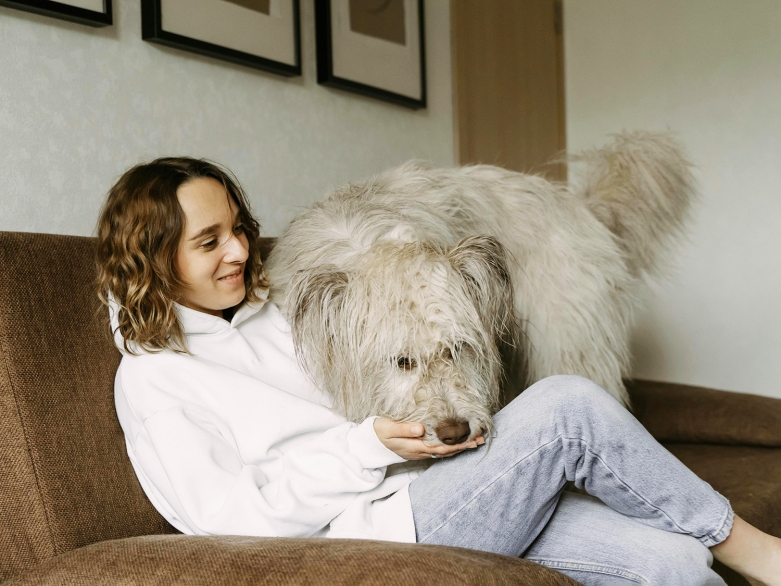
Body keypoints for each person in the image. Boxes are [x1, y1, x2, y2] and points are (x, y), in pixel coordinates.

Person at [96, 157, 781, 586]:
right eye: (209, 242)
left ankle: (717, 550)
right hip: (373, 537)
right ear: (152, 259)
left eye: (239, 228)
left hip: (439, 493)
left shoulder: (280, 311)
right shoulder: (157, 380)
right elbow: (228, 520)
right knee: (567, 407)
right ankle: (755, 551)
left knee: (674, 566)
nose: (240, 251)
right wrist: (365, 446)